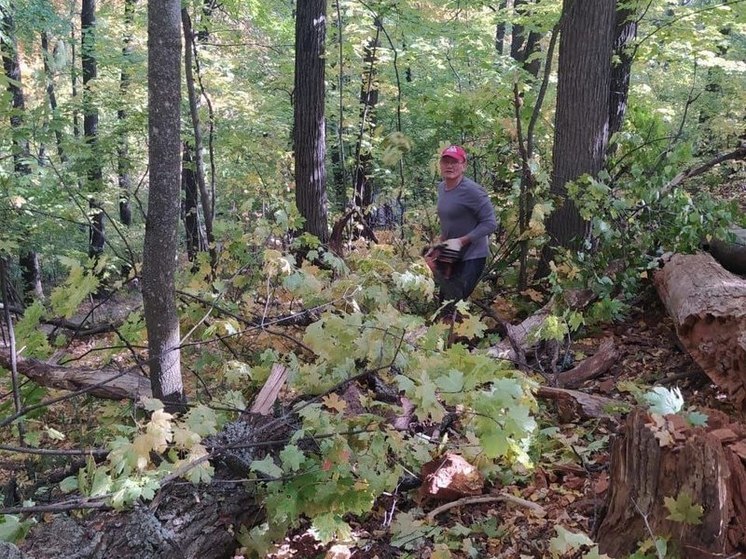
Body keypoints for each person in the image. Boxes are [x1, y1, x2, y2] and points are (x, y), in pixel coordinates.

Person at [426, 145, 497, 309]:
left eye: (454, 162)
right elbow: (449, 223)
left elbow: (490, 223)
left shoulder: (473, 191)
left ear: (464, 166)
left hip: (472, 256)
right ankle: (450, 333)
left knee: (453, 303)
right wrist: (438, 247)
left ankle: (459, 332)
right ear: (440, 165)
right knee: (444, 303)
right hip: (451, 255)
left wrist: (462, 241)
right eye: (445, 162)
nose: (449, 166)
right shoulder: (441, 188)